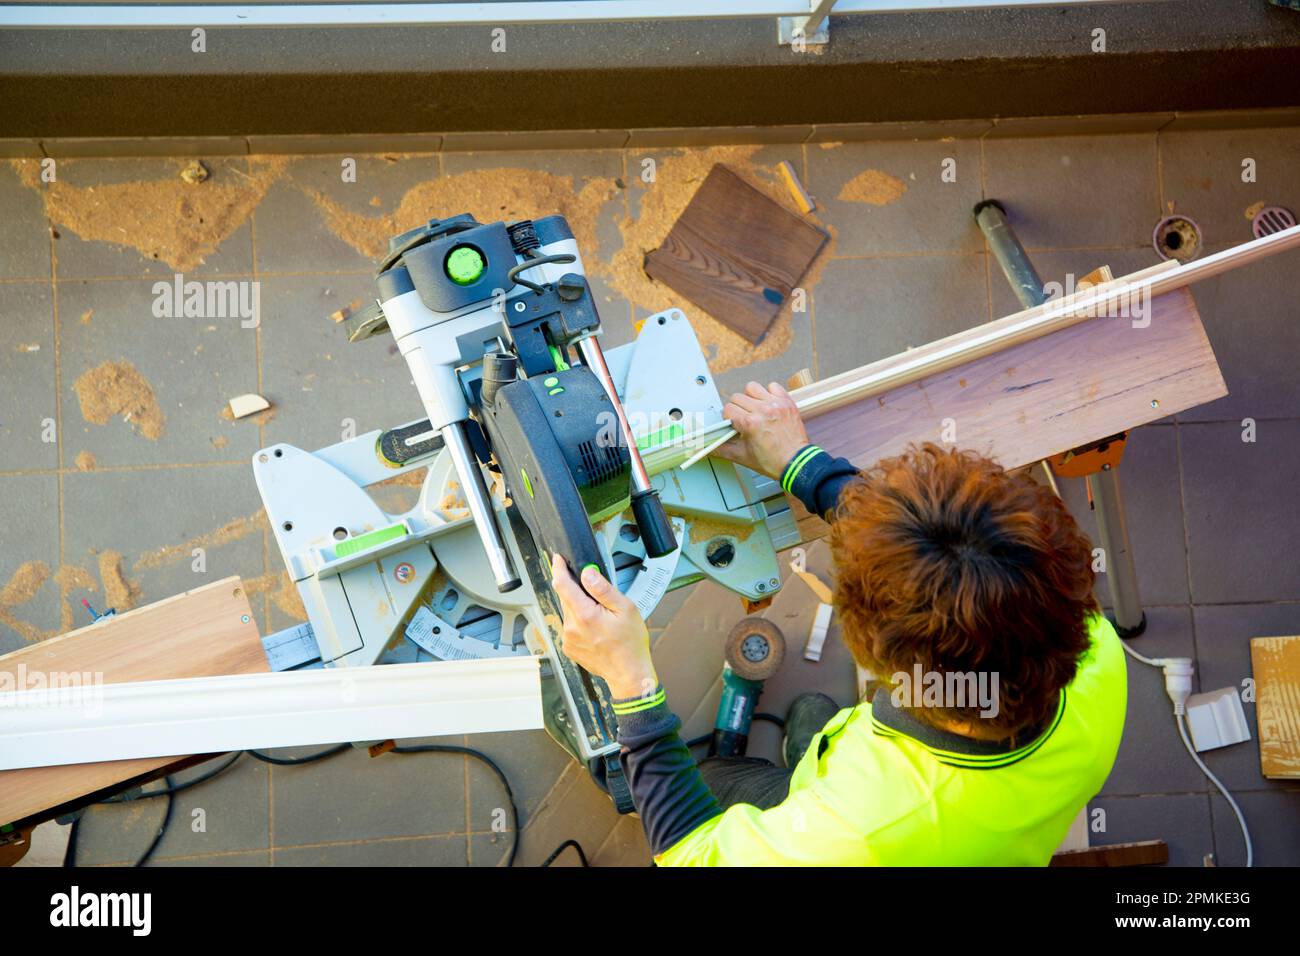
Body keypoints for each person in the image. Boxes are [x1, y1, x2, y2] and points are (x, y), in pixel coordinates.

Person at [549, 381, 1127, 866]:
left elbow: (692, 855)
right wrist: (806, 468)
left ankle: (729, 770)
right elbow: (958, 552)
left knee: (715, 785)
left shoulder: (856, 831)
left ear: (874, 657)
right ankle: (808, 750)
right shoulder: (1096, 653)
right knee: (814, 737)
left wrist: (631, 686)